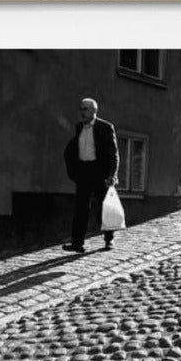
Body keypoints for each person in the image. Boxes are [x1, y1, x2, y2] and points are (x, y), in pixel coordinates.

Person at [62, 98, 119, 253]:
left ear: (94, 111)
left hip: (100, 172)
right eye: (81, 109)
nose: (82, 112)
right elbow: (73, 150)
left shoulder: (106, 127)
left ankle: (109, 240)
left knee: (104, 207)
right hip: (84, 172)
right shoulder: (79, 127)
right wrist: (73, 171)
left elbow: (113, 154)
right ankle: (77, 243)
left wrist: (112, 174)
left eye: (85, 109)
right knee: (80, 208)